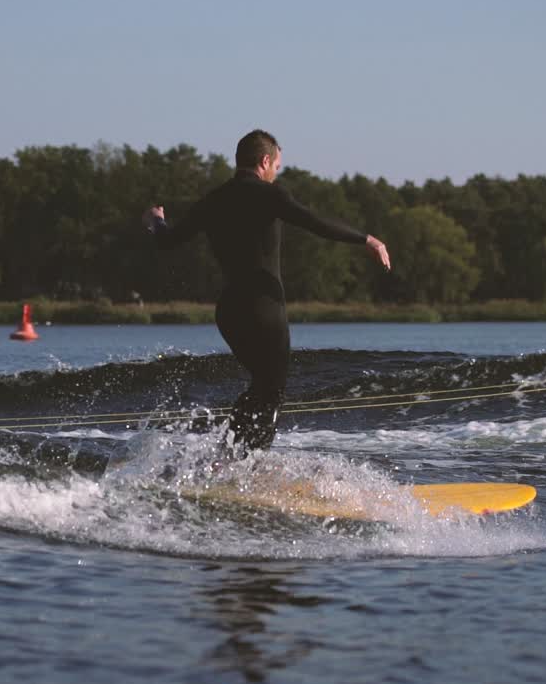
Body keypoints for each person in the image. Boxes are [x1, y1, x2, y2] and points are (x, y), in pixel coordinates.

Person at [143, 129, 391, 456]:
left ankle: (228, 457)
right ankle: (241, 464)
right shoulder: (268, 194)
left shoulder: (213, 199)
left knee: (262, 385)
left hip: (230, 312)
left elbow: (167, 240)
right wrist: (367, 239)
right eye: (276, 166)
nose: (275, 173)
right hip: (264, 309)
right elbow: (313, 221)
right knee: (271, 391)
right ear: (265, 161)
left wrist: (156, 220)